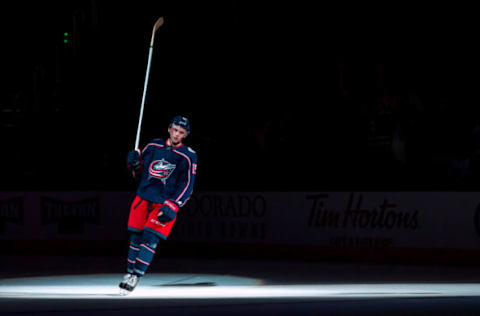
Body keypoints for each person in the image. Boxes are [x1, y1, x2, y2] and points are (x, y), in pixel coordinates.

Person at [119, 116, 198, 293]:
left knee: (150, 237)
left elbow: (187, 185)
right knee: (135, 237)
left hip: (164, 203)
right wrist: (134, 164)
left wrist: (175, 205)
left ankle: (136, 276)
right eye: (175, 130)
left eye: (182, 132)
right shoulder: (153, 145)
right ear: (169, 129)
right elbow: (138, 174)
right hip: (143, 197)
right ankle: (129, 272)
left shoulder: (188, 156)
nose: (177, 134)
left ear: (186, 135)